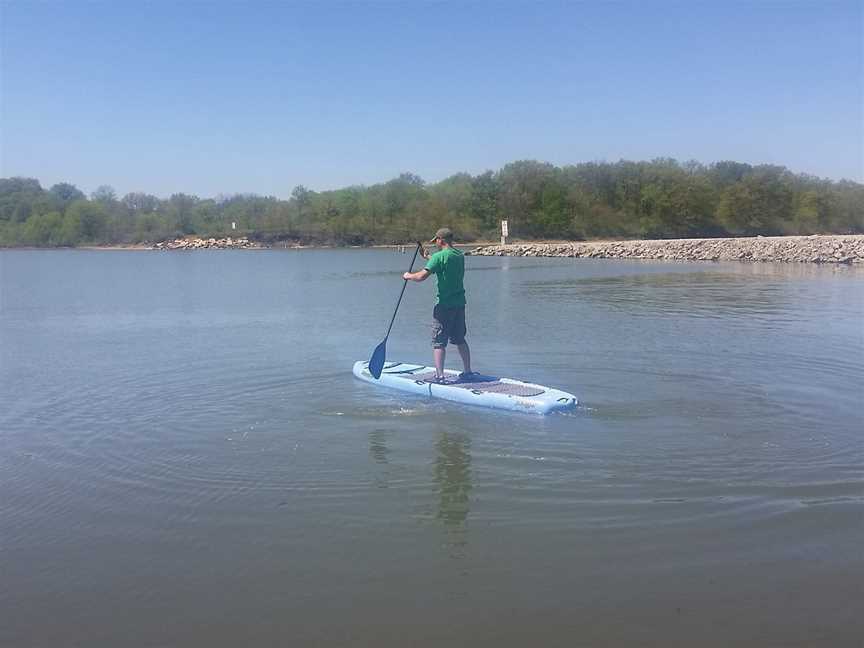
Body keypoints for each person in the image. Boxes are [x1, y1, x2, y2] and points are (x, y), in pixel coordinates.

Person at [403, 227, 479, 383]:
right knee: (459, 339)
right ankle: (468, 371)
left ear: (441, 240)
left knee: (439, 342)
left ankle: (439, 376)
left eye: (436, 240)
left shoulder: (438, 257)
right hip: (459, 304)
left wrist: (408, 276)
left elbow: (421, 277)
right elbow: (444, 262)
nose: (435, 243)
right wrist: (428, 258)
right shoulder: (459, 255)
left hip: (444, 305)